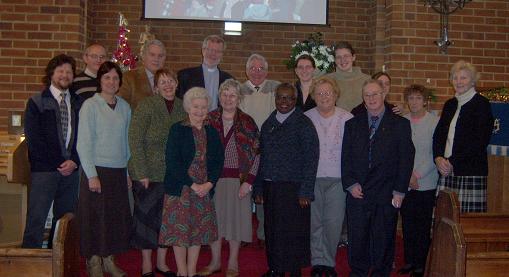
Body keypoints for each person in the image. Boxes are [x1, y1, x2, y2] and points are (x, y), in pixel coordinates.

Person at [341, 79, 414, 276]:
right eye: (367, 95)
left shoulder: (400, 124)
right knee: (357, 237)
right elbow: (345, 157)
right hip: (358, 191)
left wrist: (400, 191)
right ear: (363, 99)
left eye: (375, 94)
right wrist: (349, 183)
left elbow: (406, 160)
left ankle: (381, 272)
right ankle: (358, 272)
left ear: (383, 95)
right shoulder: (352, 124)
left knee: (384, 238)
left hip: (387, 191)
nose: (371, 98)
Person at [254, 83, 319, 277]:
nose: (284, 102)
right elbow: (261, 158)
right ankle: (275, 267)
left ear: (295, 100)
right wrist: (258, 188)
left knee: (293, 232)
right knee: (272, 230)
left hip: (294, 188)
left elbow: (311, 158)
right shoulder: (268, 123)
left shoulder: (304, 123)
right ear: (275, 99)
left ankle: (293, 269)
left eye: (289, 98)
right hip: (270, 186)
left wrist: (306, 190)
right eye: (281, 97)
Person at [159, 87, 224, 277]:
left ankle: (192, 270)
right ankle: (182, 271)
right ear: (188, 107)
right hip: (181, 189)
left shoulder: (211, 131)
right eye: (196, 107)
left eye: (204, 107)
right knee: (180, 234)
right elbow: (172, 161)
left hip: (203, 190)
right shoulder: (177, 129)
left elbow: (217, 161)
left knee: (197, 233)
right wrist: (192, 185)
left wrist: (209, 184)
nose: (200, 111)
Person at [198, 79, 260, 277]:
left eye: (232, 94)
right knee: (214, 222)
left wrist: (249, 181)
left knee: (236, 222)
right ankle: (215, 261)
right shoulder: (208, 119)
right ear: (219, 96)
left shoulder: (247, 122)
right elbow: (198, 148)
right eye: (224, 94)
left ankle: (233, 262)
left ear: (239, 98)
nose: (228, 98)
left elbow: (258, 153)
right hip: (213, 181)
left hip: (238, 180)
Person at [129, 69, 186, 277]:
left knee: (166, 220)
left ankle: (161, 263)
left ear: (177, 83)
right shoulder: (146, 106)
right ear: (156, 86)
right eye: (163, 82)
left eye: (171, 81)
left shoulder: (182, 107)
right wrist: (141, 172)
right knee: (145, 220)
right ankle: (146, 264)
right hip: (147, 172)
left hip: (171, 175)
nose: (168, 85)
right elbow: (135, 140)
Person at [77, 61, 132, 277]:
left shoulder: (125, 107)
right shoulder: (91, 105)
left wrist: (127, 172)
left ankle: (109, 260)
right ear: (100, 80)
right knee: (94, 218)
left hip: (118, 172)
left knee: (113, 218)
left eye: (116, 78)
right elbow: (83, 143)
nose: (111, 82)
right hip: (96, 171)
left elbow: (127, 142)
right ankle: (93, 263)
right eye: (107, 77)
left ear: (120, 82)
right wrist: (91, 175)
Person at [22, 54, 81, 249]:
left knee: (64, 220)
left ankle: (59, 261)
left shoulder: (78, 103)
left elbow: (84, 137)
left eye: (69, 71)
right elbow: (34, 139)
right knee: (37, 218)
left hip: (71, 171)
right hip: (45, 171)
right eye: (60, 71)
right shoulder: (37, 102)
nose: (65, 75)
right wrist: (58, 164)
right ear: (51, 74)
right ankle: (30, 265)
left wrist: (74, 161)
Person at [304, 76, 352, 277]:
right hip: (313, 178)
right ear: (314, 96)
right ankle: (317, 262)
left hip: (338, 178)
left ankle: (328, 262)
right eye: (320, 93)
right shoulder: (306, 118)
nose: (324, 96)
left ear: (335, 94)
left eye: (328, 92)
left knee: (333, 222)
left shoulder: (347, 118)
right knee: (315, 223)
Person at [433, 60, 494, 213]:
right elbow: (439, 136)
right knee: (443, 223)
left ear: (473, 80)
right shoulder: (450, 104)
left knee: (466, 226)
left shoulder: (481, 104)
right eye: (455, 78)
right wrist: (438, 158)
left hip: (470, 171)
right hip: (446, 170)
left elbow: (480, 141)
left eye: (463, 78)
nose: (458, 82)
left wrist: (451, 162)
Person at [238, 53, 280, 246]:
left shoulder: (275, 88)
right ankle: (244, 234)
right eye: (253, 68)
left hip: (269, 149)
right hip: (245, 150)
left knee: (263, 192)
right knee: (245, 192)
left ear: (267, 70)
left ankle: (263, 234)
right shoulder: (239, 90)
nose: (257, 72)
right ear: (246, 70)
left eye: (261, 68)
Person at [399, 84, 439, 277]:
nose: (414, 102)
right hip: (405, 182)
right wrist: (408, 175)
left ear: (425, 101)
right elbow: (399, 152)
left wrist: (417, 175)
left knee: (422, 225)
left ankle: (421, 263)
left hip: (426, 182)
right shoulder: (402, 121)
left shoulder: (434, 122)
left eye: (417, 98)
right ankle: (409, 260)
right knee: (407, 223)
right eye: (411, 98)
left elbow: (435, 153)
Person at [177, 35, 234, 110]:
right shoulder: (185, 75)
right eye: (210, 50)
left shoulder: (229, 79)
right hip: (193, 119)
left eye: (218, 51)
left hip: (218, 121)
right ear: (203, 50)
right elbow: (178, 102)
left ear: (222, 54)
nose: (213, 54)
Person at [119, 39, 166, 109]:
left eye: (160, 56)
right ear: (143, 57)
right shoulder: (129, 77)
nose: (156, 59)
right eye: (152, 55)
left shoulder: (169, 79)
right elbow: (121, 107)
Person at [325, 41, 370, 112]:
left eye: (346, 56)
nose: (342, 60)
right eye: (339, 57)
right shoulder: (327, 80)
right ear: (334, 60)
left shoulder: (367, 80)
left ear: (353, 57)